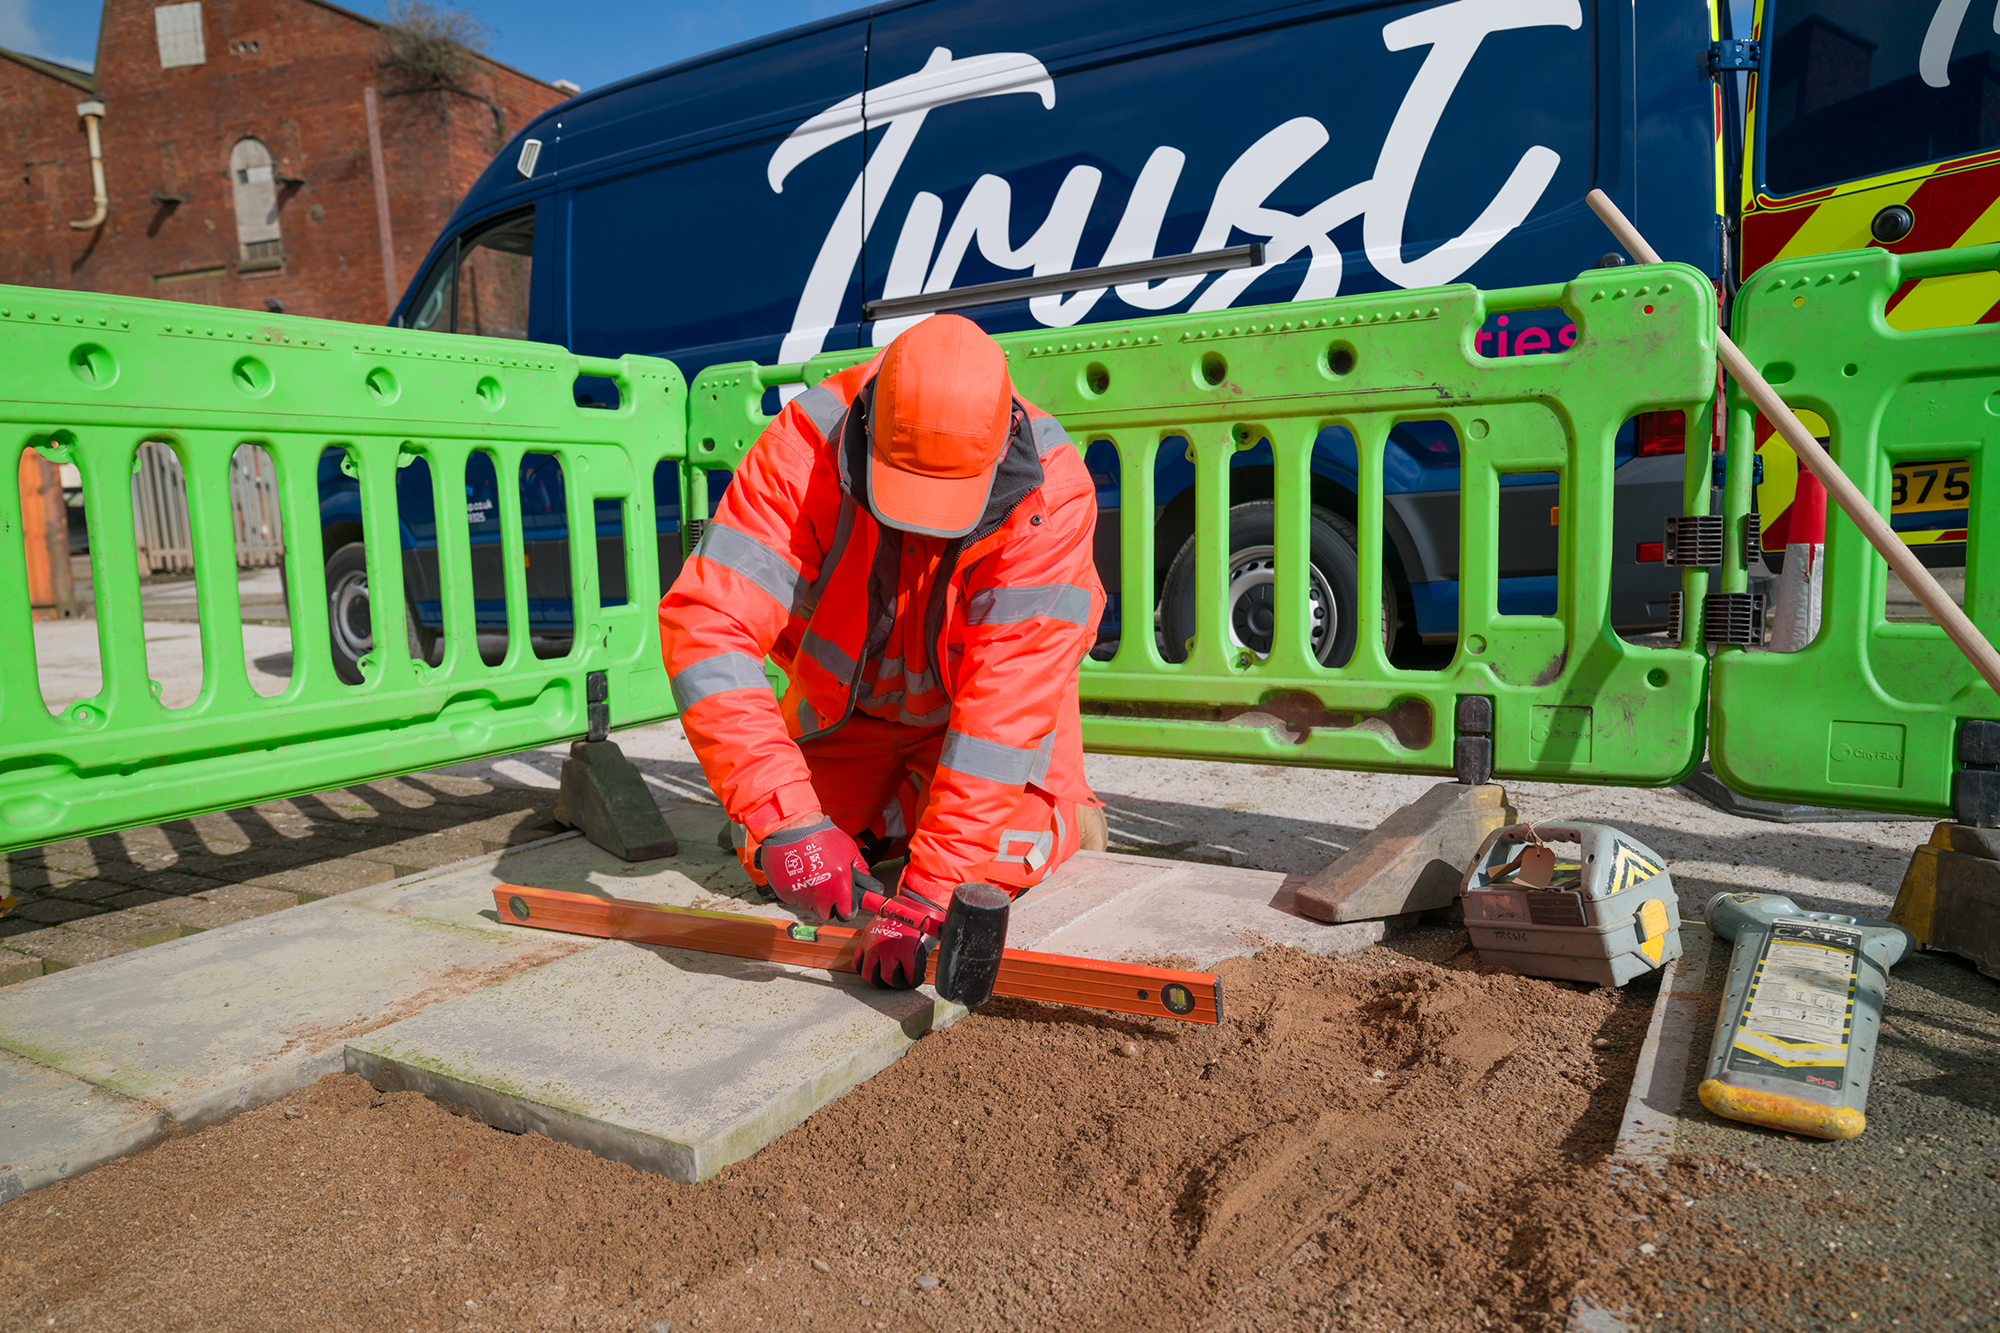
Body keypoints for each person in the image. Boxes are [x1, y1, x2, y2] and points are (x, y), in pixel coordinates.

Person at [659, 315, 1107, 989]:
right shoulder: (804, 449)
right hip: (851, 717)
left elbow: (999, 725)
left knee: (1000, 858)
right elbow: (707, 621)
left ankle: (1069, 817)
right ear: (868, 427)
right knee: (771, 855)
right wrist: (790, 820)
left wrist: (927, 896)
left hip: (967, 721)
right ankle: (899, 816)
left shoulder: (1052, 500)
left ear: (1000, 446)